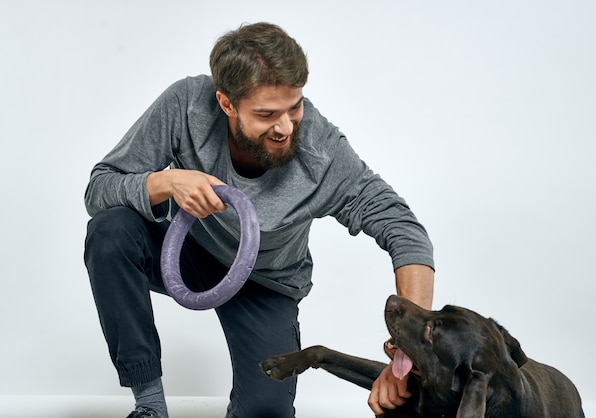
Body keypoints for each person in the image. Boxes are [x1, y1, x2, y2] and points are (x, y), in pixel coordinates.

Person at [83, 22, 434, 418]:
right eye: (267, 114)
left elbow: (404, 230)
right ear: (226, 103)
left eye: (295, 107)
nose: (285, 127)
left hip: (266, 282)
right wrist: (167, 181)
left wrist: (410, 345)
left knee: (265, 412)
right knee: (110, 231)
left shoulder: (322, 153)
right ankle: (149, 405)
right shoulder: (186, 105)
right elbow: (100, 189)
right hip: (190, 251)